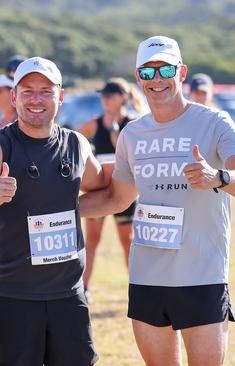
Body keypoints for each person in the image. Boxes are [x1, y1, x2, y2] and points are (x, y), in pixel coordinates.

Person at [77, 36, 235, 366]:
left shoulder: (214, 122)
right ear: (138, 78)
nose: (157, 79)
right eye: (148, 72)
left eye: (165, 69)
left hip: (201, 275)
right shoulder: (132, 134)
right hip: (146, 278)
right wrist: (52, 209)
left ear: (182, 72)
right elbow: (117, 199)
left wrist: (218, 177)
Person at [0, 57, 107, 366]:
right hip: (13, 296)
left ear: (61, 96)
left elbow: (103, 188)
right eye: (27, 91)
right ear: (14, 96)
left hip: (68, 294)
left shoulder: (76, 145)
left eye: (46, 91)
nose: (36, 99)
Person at [77, 77, 145, 298]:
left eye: (109, 95)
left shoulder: (132, 124)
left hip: (123, 189)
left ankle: (137, 288)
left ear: (122, 98)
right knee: (92, 240)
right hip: (98, 189)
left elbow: (139, 156)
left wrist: (119, 143)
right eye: (103, 95)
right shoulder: (95, 123)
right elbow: (76, 142)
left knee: (128, 240)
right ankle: (84, 288)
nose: (104, 99)